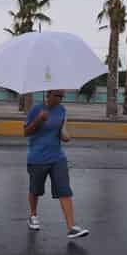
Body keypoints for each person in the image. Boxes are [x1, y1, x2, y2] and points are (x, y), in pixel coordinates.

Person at [24, 90, 89, 239]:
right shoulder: (36, 109)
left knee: (64, 190)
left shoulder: (62, 110)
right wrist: (38, 120)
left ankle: (71, 227)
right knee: (35, 189)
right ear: (49, 95)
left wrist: (65, 135)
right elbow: (26, 132)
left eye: (62, 96)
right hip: (37, 157)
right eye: (57, 96)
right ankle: (33, 216)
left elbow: (62, 131)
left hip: (57, 157)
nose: (60, 99)